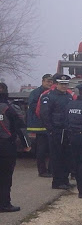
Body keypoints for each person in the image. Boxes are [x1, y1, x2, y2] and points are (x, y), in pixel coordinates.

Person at [0, 82, 31, 212]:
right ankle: (4, 204)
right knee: (5, 176)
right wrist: (26, 145)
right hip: (6, 146)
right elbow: (20, 128)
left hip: (6, 145)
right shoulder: (9, 108)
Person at [41, 74, 74, 189]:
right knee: (57, 157)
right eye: (62, 84)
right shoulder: (49, 97)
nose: (64, 86)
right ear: (56, 84)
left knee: (67, 157)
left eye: (66, 84)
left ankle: (65, 180)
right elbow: (45, 115)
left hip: (67, 131)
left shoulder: (69, 96)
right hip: (56, 131)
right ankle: (57, 182)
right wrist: (51, 130)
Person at [27, 73, 53, 177]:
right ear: (42, 81)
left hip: (49, 125)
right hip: (40, 126)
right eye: (47, 81)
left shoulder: (51, 92)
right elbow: (33, 106)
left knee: (52, 149)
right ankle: (42, 171)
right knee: (41, 150)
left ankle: (51, 170)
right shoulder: (36, 93)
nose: (49, 83)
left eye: (51, 82)